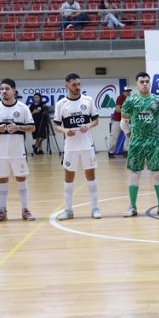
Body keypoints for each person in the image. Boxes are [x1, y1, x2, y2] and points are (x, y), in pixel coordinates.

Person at [120, 72, 159, 217]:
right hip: (136, 143)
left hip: (153, 143)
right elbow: (124, 122)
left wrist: (156, 135)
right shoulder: (130, 101)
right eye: (141, 81)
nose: (144, 84)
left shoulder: (157, 100)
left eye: (147, 81)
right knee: (134, 173)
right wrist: (130, 136)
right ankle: (132, 206)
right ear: (137, 83)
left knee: (157, 174)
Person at [0, 79, 37, 222]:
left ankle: (25, 210)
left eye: (7, 88)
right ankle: (2, 211)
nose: (4, 91)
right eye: (2, 89)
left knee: (21, 178)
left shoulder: (22, 108)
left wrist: (18, 127)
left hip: (18, 151)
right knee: (2, 180)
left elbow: (32, 127)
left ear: (14, 90)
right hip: (1, 151)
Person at [52, 73, 102, 220]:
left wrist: (89, 125)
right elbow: (56, 125)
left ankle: (95, 208)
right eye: (74, 85)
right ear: (66, 85)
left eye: (79, 84)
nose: (77, 87)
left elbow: (96, 121)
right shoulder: (61, 104)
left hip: (87, 145)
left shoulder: (88, 100)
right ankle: (68, 210)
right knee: (68, 178)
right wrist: (65, 130)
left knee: (91, 177)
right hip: (70, 147)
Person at [109, 86, 131, 158]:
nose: (128, 92)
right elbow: (118, 109)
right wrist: (127, 109)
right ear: (123, 92)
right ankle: (111, 152)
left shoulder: (131, 99)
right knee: (114, 136)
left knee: (128, 136)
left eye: (129, 91)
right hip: (118, 120)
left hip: (126, 121)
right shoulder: (120, 98)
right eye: (127, 91)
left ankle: (126, 151)